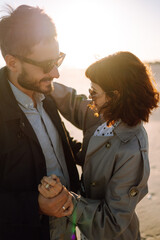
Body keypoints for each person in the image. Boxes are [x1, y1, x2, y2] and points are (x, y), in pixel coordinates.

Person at [39, 51, 159, 240]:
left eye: (94, 92)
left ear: (115, 96)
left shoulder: (132, 150)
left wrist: (68, 201)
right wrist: (46, 83)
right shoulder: (105, 115)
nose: (90, 97)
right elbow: (73, 103)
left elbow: (112, 223)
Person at [0, 4, 80, 240]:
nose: (56, 73)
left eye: (57, 59)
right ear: (12, 62)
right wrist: (35, 205)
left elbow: (61, 143)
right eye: (46, 65)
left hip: (69, 226)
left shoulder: (47, 94)